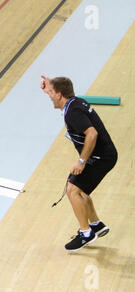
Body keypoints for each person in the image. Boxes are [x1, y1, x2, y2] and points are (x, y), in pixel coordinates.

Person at [41, 75, 117, 252]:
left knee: (72, 190)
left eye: (51, 93)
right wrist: (50, 88)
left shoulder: (73, 112)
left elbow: (92, 134)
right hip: (102, 155)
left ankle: (86, 233)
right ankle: (96, 225)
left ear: (60, 94)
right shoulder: (75, 102)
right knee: (78, 188)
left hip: (100, 158)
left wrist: (81, 161)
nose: (49, 96)